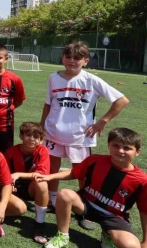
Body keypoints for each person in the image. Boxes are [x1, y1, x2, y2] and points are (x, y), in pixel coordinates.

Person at [40, 42, 129, 224]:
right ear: (62, 58)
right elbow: (49, 103)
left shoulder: (91, 80)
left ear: (85, 61)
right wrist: (42, 126)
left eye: (77, 58)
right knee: (52, 168)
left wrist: (102, 121)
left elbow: (121, 100)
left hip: (80, 136)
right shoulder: (53, 78)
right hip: (53, 131)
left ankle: (84, 208)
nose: (72, 61)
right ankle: (52, 200)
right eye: (68, 57)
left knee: (82, 173)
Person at [39, 128, 147, 248]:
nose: (120, 151)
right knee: (65, 194)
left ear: (137, 152)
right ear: (108, 146)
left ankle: (107, 233)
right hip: (86, 204)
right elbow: (74, 173)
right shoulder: (95, 160)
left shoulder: (142, 180)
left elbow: (144, 210)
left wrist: (145, 241)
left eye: (127, 148)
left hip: (113, 216)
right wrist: (49, 177)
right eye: (116, 145)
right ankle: (62, 236)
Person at [4, 122, 51, 243]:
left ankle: (39, 223)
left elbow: (41, 175)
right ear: (21, 136)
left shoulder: (42, 151)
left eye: (36, 137)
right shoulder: (11, 151)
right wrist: (9, 184)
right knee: (20, 209)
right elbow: (4, 174)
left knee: (42, 183)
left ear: (41, 140)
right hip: (14, 188)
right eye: (28, 135)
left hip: (31, 188)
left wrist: (19, 174)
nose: (32, 139)